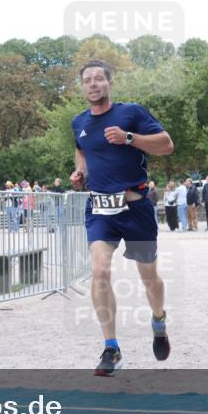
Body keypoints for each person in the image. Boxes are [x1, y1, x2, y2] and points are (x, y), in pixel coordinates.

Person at [69, 60, 174, 376]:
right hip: (100, 208)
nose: (92, 84)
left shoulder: (132, 113)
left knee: (148, 277)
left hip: (136, 205)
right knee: (99, 271)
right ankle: (111, 347)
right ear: (82, 86)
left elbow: (167, 145)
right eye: (87, 80)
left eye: (98, 78)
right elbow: (82, 150)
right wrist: (80, 173)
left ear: (109, 83)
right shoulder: (79, 122)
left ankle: (158, 320)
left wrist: (130, 138)